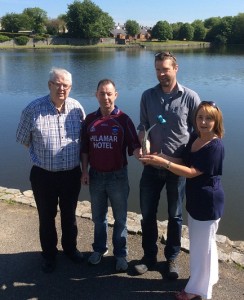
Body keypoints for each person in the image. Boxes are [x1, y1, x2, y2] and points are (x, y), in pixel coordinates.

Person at [140, 101, 225, 300]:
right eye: (200, 117)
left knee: (200, 248)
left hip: (208, 203)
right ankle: (209, 279)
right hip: (196, 201)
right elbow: (185, 161)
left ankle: (196, 291)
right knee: (204, 245)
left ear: (216, 121)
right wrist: (160, 157)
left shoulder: (215, 146)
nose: (203, 122)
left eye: (209, 118)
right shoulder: (196, 137)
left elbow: (191, 172)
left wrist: (164, 163)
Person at [135, 52, 201, 279]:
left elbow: (198, 132)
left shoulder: (190, 97)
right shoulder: (147, 96)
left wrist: (194, 159)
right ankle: (149, 257)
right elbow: (142, 125)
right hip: (151, 166)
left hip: (177, 168)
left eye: (165, 69)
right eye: (157, 70)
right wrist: (142, 143)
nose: (161, 74)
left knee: (175, 216)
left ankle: (172, 258)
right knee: (147, 214)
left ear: (176, 68)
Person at [16, 67, 86, 273]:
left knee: (69, 215)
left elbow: (83, 142)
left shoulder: (76, 108)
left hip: (70, 174)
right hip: (43, 175)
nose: (61, 88)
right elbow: (23, 139)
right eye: (57, 84)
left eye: (66, 85)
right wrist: (45, 154)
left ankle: (70, 249)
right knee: (46, 217)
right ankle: (49, 254)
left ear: (71, 87)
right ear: (49, 85)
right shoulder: (33, 109)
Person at [81, 79, 141, 272]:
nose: (105, 97)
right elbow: (84, 150)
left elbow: (135, 147)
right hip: (96, 176)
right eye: (102, 93)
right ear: (96, 95)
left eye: (109, 93)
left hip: (118, 177)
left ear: (116, 95)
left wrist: (147, 153)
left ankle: (121, 254)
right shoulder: (89, 120)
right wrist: (84, 171)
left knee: (121, 218)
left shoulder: (124, 120)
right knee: (99, 217)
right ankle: (99, 249)